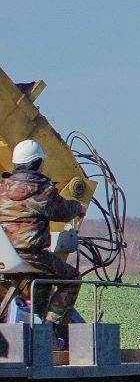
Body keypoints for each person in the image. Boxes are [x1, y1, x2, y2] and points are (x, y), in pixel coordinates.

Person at [0, 139, 84, 336]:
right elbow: (62, 212)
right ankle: (50, 332)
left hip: (3, 258)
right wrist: (78, 207)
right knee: (72, 278)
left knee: (42, 279)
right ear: (37, 163)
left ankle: (25, 325)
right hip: (31, 256)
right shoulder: (42, 190)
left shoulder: (2, 188)